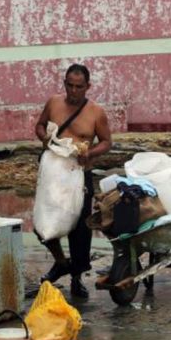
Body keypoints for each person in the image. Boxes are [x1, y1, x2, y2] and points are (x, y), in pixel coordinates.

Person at [34, 64, 112, 299]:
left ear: (88, 87)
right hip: (52, 172)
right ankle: (60, 262)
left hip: (79, 173)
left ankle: (77, 278)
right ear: (64, 83)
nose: (74, 91)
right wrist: (44, 136)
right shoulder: (54, 103)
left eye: (79, 87)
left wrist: (91, 153)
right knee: (43, 221)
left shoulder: (96, 112)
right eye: (70, 85)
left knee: (79, 228)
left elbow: (107, 141)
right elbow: (39, 125)